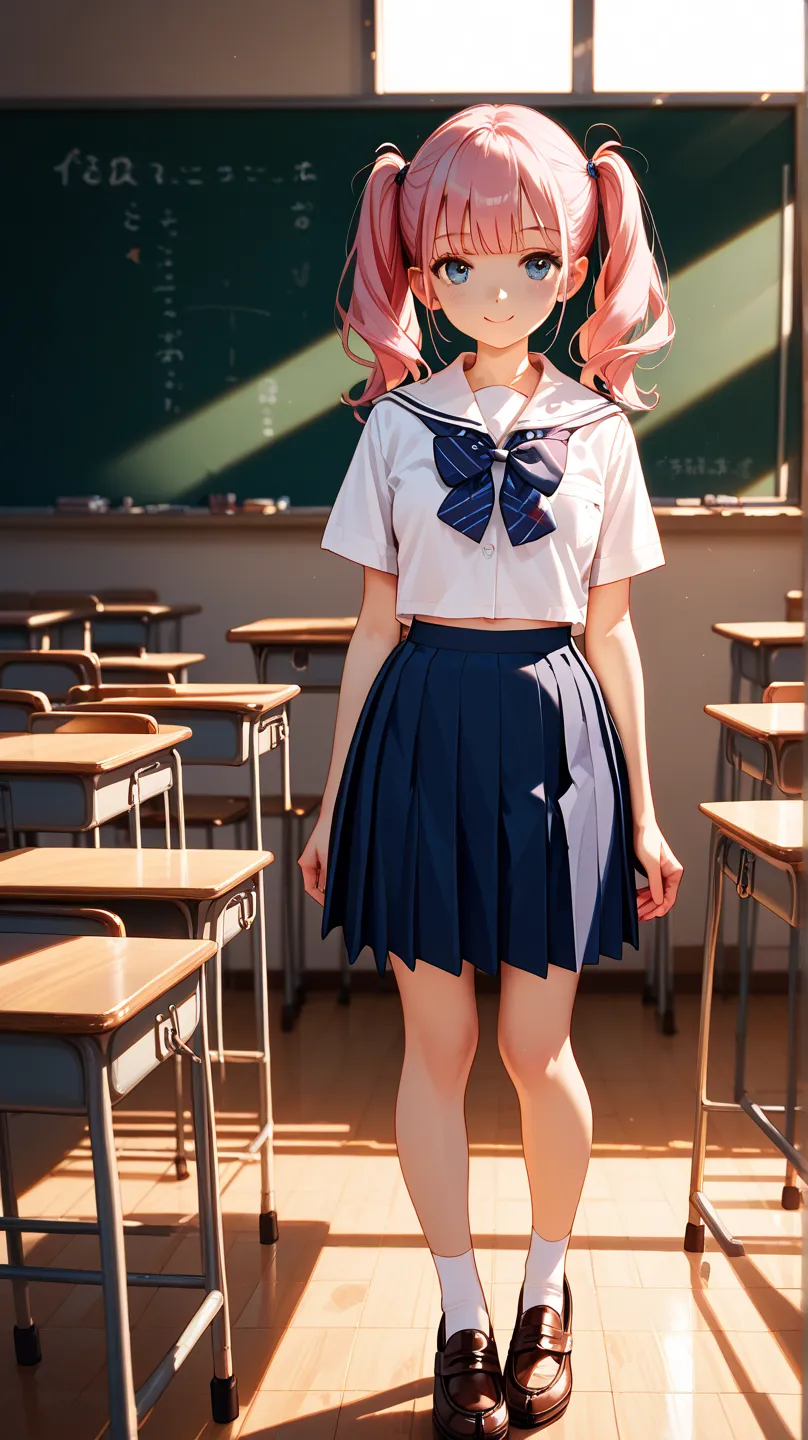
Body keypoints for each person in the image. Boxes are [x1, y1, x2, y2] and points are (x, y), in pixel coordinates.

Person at [299, 103, 683, 1437]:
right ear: (419, 269)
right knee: (439, 1041)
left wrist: (643, 810)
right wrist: (335, 800)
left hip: (554, 727)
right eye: (457, 266)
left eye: (529, 261)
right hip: (422, 721)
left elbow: (615, 635)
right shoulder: (396, 429)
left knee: (536, 1044)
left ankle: (548, 1294)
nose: (493, 291)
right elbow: (367, 625)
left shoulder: (602, 432)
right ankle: (461, 1315)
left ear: (574, 263)